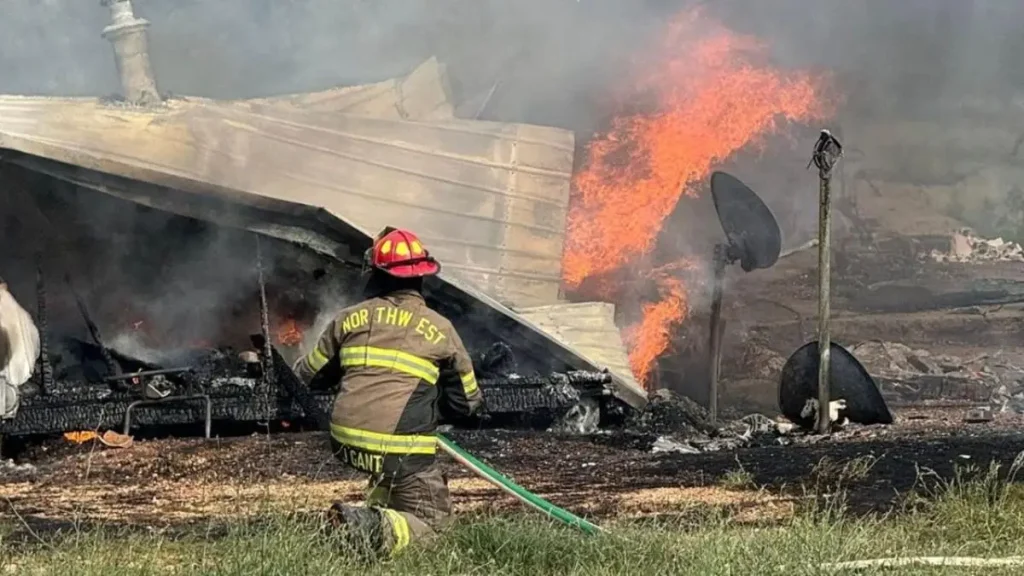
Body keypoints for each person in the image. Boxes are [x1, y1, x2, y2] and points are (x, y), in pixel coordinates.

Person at [293, 228, 484, 558]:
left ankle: (381, 508)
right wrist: (427, 408)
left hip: (345, 442)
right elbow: (466, 403)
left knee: (392, 460)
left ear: (377, 275)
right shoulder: (440, 328)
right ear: (423, 276)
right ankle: (362, 525)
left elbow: (308, 376)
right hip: (397, 448)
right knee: (437, 530)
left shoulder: (348, 319)